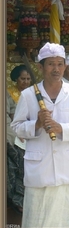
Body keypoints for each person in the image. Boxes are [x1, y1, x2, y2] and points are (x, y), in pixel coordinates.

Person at [11, 42, 69, 228]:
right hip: (40, 167)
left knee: (62, 219)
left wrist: (61, 128)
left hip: (67, 167)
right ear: (40, 67)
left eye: (60, 64)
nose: (56, 69)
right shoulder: (29, 95)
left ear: (65, 66)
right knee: (36, 218)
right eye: (50, 64)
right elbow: (16, 127)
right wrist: (37, 124)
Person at [7, 65, 32, 214]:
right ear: (16, 79)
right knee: (19, 168)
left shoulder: (34, 93)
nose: (26, 82)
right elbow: (10, 118)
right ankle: (19, 200)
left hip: (32, 133)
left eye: (28, 79)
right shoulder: (9, 94)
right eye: (23, 79)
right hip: (17, 136)